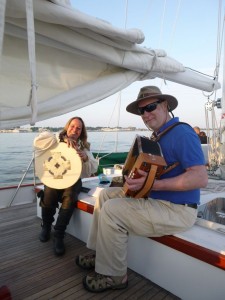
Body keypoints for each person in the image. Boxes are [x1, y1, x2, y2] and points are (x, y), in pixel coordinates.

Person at [75, 86, 208, 292]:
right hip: (156, 200)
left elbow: (200, 177)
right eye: (141, 111)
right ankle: (101, 255)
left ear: (165, 105)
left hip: (177, 210)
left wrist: (152, 184)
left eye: (151, 107)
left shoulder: (182, 132)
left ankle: (115, 276)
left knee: (112, 210)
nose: (146, 114)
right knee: (106, 195)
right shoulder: (159, 135)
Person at [34, 117, 98, 256]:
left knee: (69, 195)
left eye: (78, 128)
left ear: (81, 132)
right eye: (72, 126)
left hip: (73, 181)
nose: (74, 130)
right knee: (49, 191)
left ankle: (59, 234)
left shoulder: (83, 147)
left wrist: (85, 158)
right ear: (67, 126)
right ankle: (46, 226)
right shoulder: (55, 140)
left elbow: (93, 168)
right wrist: (61, 136)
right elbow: (38, 140)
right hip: (55, 178)